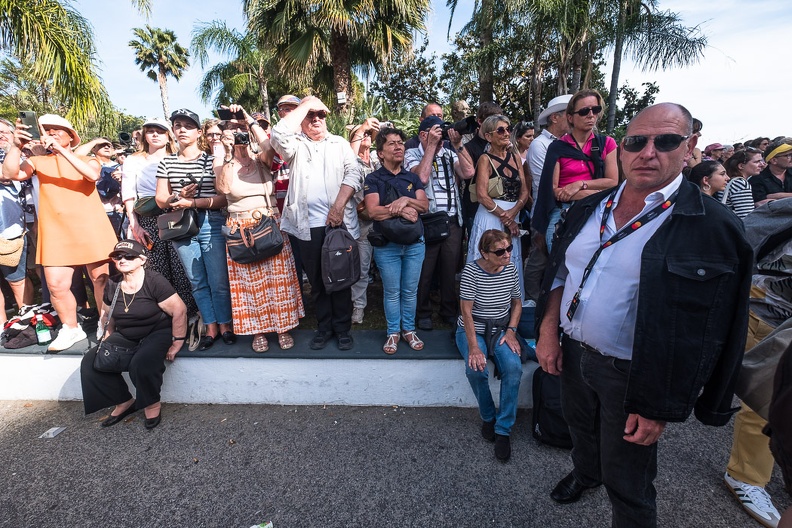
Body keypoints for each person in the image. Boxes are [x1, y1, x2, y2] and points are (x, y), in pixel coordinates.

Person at [535, 103, 753, 527]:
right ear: (621, 148)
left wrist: (659, 404)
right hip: (574, 353)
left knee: (630, 476)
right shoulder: (590, 207)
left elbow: (708, 330)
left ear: (689, 147)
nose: (648, 152)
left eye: (666, 141)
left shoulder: (712, 225)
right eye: (636, 141)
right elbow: (561, 272)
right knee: (581, 433)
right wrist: (547, 331)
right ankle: (585, 474)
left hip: (633, 373)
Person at [2, 114, 118, 352]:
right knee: (55, 285)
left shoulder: (88, 159)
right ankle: (71, 328)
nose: (51, 133)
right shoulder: (36, 162)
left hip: (90, 227)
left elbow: (92, 175)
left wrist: (62, 152)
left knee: (100, 280)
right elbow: (9, 173)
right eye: (47, 130)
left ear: (70, 137)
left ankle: (107, 325)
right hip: (55, 230)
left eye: (57, 130)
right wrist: (16, 145)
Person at [270, 96, 363, 351]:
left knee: (340, 278)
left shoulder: (340, 143)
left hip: (339, 224)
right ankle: (324, 328)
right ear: (301, 120)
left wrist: (338, 207)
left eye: (320, 115)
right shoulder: (295, 145)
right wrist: (306, 104)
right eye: (310, 116)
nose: (316, 119)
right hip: (306, 226)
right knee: (318, 281)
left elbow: (355, 173)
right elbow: (277, 133)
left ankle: (343, 329)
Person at [214, 105, 304, 353]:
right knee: (248, 284)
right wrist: (231, 151)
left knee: (278, 280)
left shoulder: (261, 158)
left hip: (269, 221)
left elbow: (271, 148)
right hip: (240, 225)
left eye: (242, 128)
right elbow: (223, 188)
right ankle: (258, 331)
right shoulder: (223, 158)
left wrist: (248, 121)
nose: (239, 132)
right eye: (233, 129)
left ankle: (283, 327)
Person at [80, 240, 187, 430]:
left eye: (128, 256)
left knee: (142, 363)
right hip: (126, 333)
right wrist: (108, 336)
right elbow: (107, 314)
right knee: (91, 362)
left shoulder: (154, 280)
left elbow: (179, 310)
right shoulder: (113, 283)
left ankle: (151, 403)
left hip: (157, 331)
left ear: (142, 260)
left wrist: (177, 341)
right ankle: (123, 401)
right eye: (118, 257)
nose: (122, 260)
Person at [155, 109, 233, 351]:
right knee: (197, 280)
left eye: (188, 126)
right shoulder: (166, 161)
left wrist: (193, 202)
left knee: (218, 280)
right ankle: (209, 325)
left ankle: (225, 324)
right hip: (181, 225)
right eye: (177, 125)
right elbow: (160, 199)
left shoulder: (212, 160)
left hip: (211, 220)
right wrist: (177, 197)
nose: (181, 129)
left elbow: (224, 197)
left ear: (199, 132)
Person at [456, 229, 523, 462]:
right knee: (476, 368)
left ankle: (503, 429)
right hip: (473, 328)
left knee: (514, 369)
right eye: (500, 251)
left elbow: (517, 302)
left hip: (501, 329)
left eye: (509, 248)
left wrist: (512, 331)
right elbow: (466, 311)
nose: (507, 255)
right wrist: (474, 347)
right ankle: (488, 417)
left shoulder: (511, 268)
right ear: (484, 253)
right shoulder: (471, 272)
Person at [121, 117, 198, 318]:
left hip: (175, 214)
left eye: (160, 131)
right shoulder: (133, 160)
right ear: (144, 135)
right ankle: (163, 317)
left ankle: (187, 315)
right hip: (147, 218)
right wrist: (134, 224)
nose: (155, 134)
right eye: (151, 130)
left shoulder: (177, 157)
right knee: (156, 268)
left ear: (168, 135)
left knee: (182, 266)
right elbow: (129, 194)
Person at [405, 115, 474, 331]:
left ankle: (448, 310)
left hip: (452, 219)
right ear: (423, 135)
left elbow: (469, 172)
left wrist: (458, 144)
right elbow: (421, 179)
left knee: (449, 269)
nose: (440, 137)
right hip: (427, 220)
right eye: (436, 132)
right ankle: (423, 312)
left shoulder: (449, 152)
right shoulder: (412, 153)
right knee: (424, 270)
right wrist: (431, 147)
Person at [364, 127, 428, 354]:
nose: (399, 146)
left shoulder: (412, 177)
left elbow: (424, 205)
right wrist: (400, 210)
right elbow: (373, 212)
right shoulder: (373, 179)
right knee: (392, 291)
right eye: (391, 143)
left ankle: (409, 330)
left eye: (400, 142)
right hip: (387, 246)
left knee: (410, 291)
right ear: (380, 153)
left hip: (414, 244)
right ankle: (393, 332)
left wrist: (404, 200)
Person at [533, 89, 619, 250]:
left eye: (596, 109)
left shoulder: (607, 143)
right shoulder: (557, 147)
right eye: (584, 111)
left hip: (597, 212)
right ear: (570, 117)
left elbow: (613, 182)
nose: (591, 115)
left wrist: (579, 184)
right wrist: (594, 193)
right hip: (564, 213)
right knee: (559, 269)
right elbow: (554, 191)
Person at [466, 115, 529, 299]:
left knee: (509, 260)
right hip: (490, 216)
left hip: (512, 214)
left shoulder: (516, 157)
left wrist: (513, 213)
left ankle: (509, 308)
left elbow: (525, 191)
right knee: (490, 257)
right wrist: (507, 218)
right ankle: (484, 304)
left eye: (508, 129)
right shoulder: (485, 159)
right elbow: (482, 195)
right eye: (500, 130)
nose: (506, 133)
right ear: (488, 136)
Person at [348, 118, 381, 325]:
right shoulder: (349, 160)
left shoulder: (378, 160)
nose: (366, 137)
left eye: (370, 134)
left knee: (388, 265)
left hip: (384, 219)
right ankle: (358, 306)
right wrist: (362, 128)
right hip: (362, 222)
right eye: (362, 134)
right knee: (361, 268)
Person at [457, 102, 504, 231]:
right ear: (480, 122)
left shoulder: (506, 147)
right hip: (476, 209)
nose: (498, 125)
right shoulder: (468, 148)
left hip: (503, 206)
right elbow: (468, 176)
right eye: (493, 120)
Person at [527, 95, 573, 202]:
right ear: (554, 118)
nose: (573, 119)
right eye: (569, 115)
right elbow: (545, 185)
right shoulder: (539, 144)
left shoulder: (569, 142)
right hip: (547, 211)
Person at [723, 148, 765, 218]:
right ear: (741, 166)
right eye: (757, 162)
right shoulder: (740, 183)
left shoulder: (730, 180)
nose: (762, 164)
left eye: (761, 161)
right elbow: (746, 217)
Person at [750, 140, 792, 205]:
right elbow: (760, 203)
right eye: (788, 155)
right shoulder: (757, 179)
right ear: (774, 160)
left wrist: (775, 196)